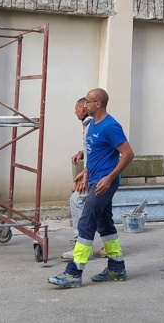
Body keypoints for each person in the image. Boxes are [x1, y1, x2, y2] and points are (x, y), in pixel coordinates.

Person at [48, 88, 134, 288]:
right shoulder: (92, 125)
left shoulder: (111, 126)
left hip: (104, 183)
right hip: (94, 178)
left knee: (86, 222)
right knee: (105, 225)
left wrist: (110, 177)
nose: (84, 105)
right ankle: (117, 268)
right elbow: (94, 153)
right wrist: (85, 172)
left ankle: (74, 273)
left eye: (88, 101)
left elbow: (128, 154)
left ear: (98, 104)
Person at [62, 97, 106, 260]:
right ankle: (109, 246)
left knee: (77, 200)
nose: (75, 112)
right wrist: (81, 153)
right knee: (102, 211)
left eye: (77, 108)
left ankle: (80, 245)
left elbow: (100, 150)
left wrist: (87, 174)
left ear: (85, 108)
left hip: (99, 176)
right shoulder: (91, 124)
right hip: (99, 175)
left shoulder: (95, 124)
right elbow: (93, 147)